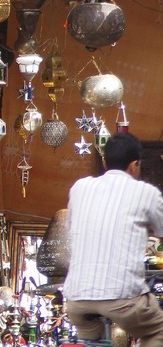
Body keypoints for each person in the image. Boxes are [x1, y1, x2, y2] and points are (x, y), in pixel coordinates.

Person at [63, 132, 163, 344]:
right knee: (157, 330)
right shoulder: (146, 192)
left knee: (93, 339)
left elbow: (74, 227)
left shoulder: (80, 187)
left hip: (76, 299)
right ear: (135, 165)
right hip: (122, 299)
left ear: (104, 160)